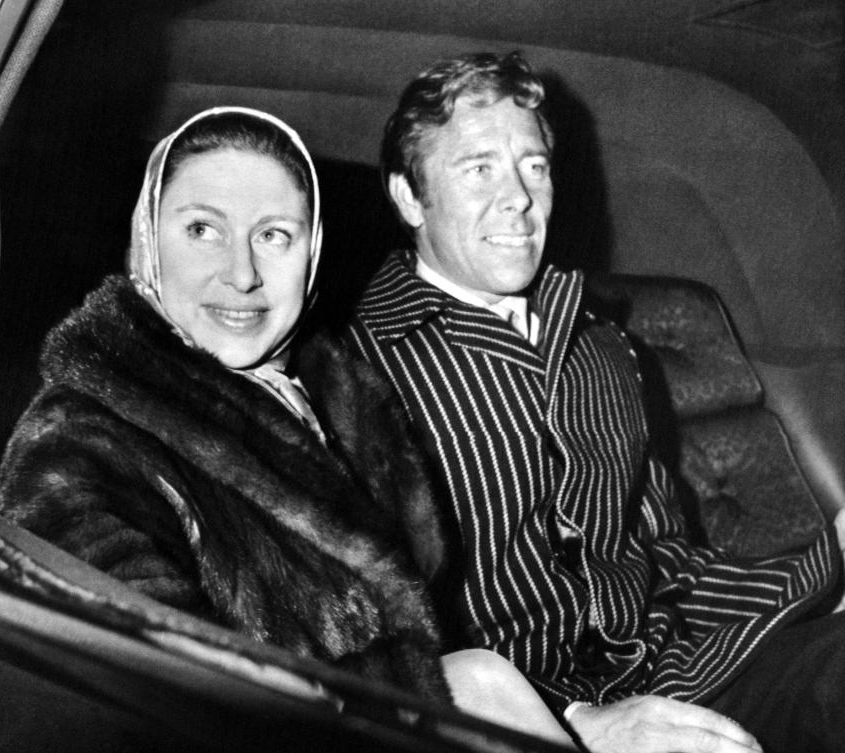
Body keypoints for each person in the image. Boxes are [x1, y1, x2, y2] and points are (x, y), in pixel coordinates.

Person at [0, 106, 574, 747]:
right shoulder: (77, 446)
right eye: (202, 229)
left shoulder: (344, 407)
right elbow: (138, 711)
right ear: (146, 246)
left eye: (274, 236)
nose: (241, 274)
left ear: (312, 253)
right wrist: (461, 691)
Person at [346, 51, 844, 752]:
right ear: (407, 196)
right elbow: (382, 633)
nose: (518, 196)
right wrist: (571, 718)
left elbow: (666, 558)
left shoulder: (603, 348)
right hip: (514, 715)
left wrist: (826, 571)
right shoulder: (357, 370)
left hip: (681, 668)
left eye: (534, 166)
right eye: (479, 167)